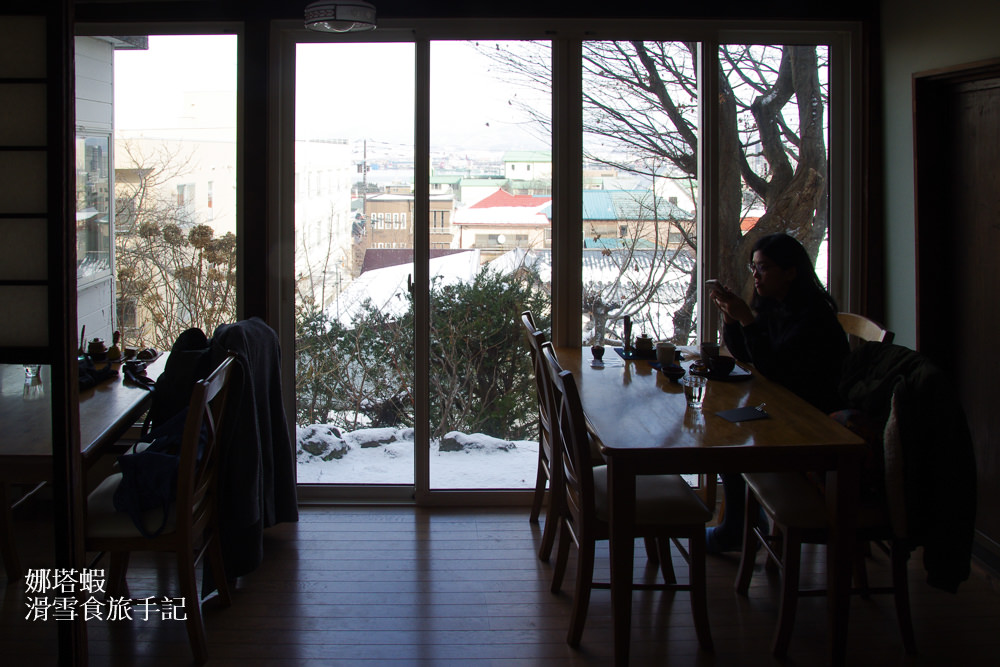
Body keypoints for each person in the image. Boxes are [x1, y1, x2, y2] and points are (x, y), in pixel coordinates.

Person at [705, 232, 849, 553]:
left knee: (728, 435)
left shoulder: (813, 318)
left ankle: (737, 528)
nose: (756, 275)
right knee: (723, 429)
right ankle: (740, 524)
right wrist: (732, 320)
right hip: (786, 407)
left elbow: (774, 368)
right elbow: (747, 355)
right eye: (754, 267)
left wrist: (747, 320)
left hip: (812, 422)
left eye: (764, 268)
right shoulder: (776, 306)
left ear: (791, 272)